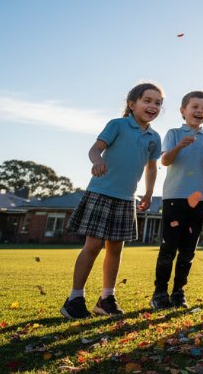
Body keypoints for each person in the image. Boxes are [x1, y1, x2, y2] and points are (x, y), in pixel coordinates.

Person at [60, 83, 163, 319]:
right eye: (147, 100)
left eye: (158, 103)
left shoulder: (154, 137)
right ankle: (74, 299)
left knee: (116, 248)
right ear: (132, 104)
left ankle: (106, 299)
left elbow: (151, 167)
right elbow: (95, 149)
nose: (153, 106)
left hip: (127, 198)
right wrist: (96, 161)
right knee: (93, 246)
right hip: (102, 193)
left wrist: (148, 193)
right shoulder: (117, 125)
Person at [150, 90, 203, 310]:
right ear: (183, 111)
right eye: (195, 107)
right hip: (174, 198)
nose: (200, 111)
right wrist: (179, 146)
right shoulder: (174, 133)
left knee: (188, 249)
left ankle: (179, 292)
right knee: (169, 247)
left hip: (197, 201)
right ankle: (159, 293)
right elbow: (166, 160)